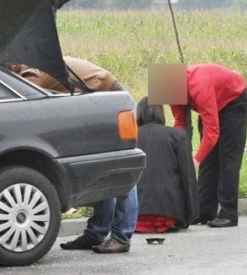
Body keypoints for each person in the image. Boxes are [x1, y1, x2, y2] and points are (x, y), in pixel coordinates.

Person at [11, 56, 137, 254]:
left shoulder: (33, 73)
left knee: (121, 168)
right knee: (102, 168)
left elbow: (22, 104)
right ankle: (96, 233)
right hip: (99, 104)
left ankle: (122, 236)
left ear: (13, 66)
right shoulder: (39, 64)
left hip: (116, 102)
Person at [169, 63, 247, 228]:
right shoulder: (170, 88)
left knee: (228, 158)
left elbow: (212, 132)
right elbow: (181, 123)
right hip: (212, 105)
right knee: (208, 160)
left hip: (234, 101)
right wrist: (178, 153)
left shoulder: (199, 85)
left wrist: (195, 160)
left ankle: (229, 214)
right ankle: (203, 211)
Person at [134, 96, 198, 233]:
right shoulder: (178, 135)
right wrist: (189, 216)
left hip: (136, 215)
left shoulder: (130, 138)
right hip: (169, 216)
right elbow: (188, 177)